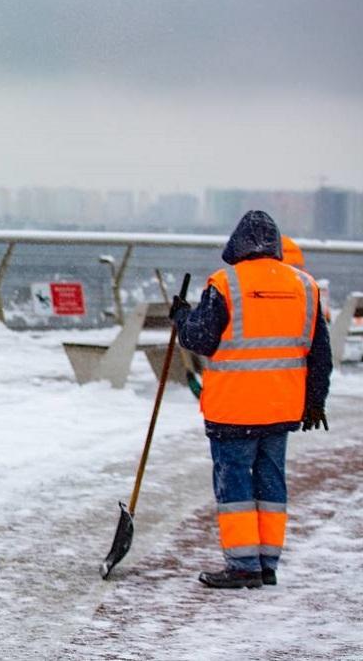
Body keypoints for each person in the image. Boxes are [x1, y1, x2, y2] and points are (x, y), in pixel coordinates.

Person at [171, 210, 331, 589]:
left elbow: (200, 340)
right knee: (271, 481)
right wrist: (315, 401)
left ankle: (243, 566)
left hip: (233, 408)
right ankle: (267, 563)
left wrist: (182, 318)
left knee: (235, 485)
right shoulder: (306, 286)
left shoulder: (226, 284)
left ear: (236, 245)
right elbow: (319, 353)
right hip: (281, 408)